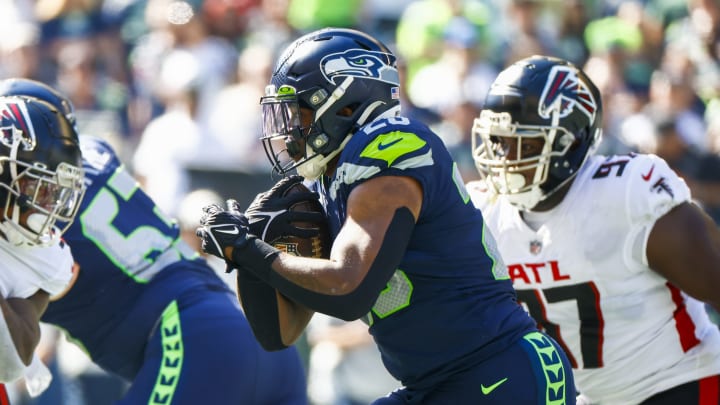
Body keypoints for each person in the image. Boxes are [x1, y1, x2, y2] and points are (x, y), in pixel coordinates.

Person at [197, 27, 576, 404]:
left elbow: (349, 289)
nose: (291, 129)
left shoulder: (391, 145)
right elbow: (279, 333)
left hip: (500, 371)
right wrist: (247, 258)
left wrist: (248, 251)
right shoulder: (329, 182)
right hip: (439, 384)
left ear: (344, 104)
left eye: (300, 111)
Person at [0, 78, 309, 405]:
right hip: (252, 333)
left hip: (192, 341)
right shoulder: (90, 158)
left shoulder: (37, 207)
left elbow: (11, 349)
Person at [466, 55, 720, 404]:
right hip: (593, 397)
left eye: (524, 143)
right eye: (498, 141)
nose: (504, 156)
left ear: (568, 143)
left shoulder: (626, 193)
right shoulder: (483, 212)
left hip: (680, 381)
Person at [0, 95, 85, 395]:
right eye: (39, 187)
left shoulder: (46, 256)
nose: (49, 205)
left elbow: (9, 357)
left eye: (55, 191)